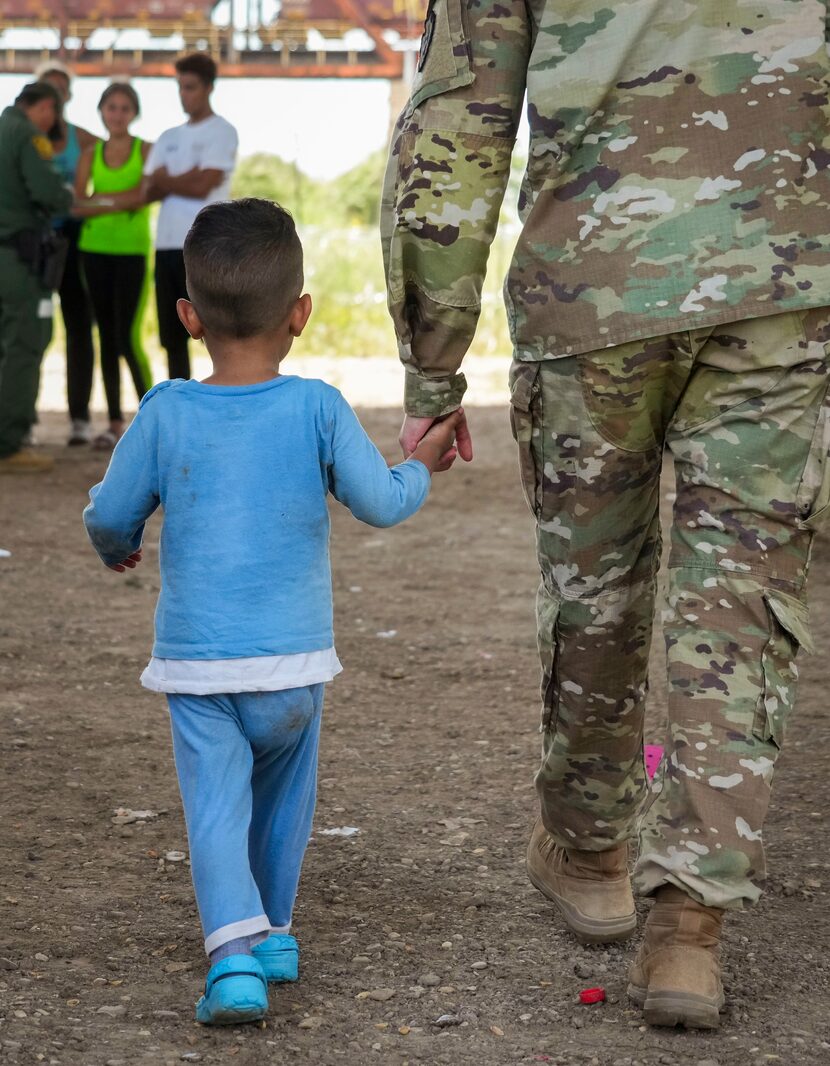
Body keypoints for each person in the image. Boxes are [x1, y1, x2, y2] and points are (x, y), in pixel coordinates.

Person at [381, 0, 830, 1031]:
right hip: (780, 279)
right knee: (738, 608)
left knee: (596, 589)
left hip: (594, 282)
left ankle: (589, 853)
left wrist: (430, 363)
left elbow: (458, 118)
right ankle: (689, 924)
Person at [82, 198, 462, 1025]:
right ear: (301, 313)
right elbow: (383, 503)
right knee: (286, 796)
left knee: (217, 807)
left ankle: (233, 962)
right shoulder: (318, 407)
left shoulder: (166, 410)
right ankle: (277, 933)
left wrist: (113, 547)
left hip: (200, 665)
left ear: (186, 317)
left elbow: (113, 514)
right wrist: (421, 460)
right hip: (294, 666)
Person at [143, 52, 238, 381]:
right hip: (166, 243)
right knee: (172, 336)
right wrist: (184, 179)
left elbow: (203, 186)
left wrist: (167, 180)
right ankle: (181, 397)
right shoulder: (169, 136)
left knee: (216, 329)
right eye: (180, 87)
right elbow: (147, 189)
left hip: (203, 245)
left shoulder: (222, 132)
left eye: (191, 87)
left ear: (209, 87)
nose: (185, 94)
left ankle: (225, 392)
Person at [74, 82, 152, 450]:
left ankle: (151, 418)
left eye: (124, 108)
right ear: (101, 112)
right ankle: (115, 422)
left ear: (134, 112)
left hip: (132, 251)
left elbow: (144, 197)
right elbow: (76, 205)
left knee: (127, 336)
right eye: (111, 107)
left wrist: (100, 201)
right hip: (94, 249)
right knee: (106, 335)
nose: (117, 114)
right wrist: (120, 201)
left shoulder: (146, 150)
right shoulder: (91, 152)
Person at [0, 81, 73, 474]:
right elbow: (48, 192)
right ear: (45, 107)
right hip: (17, 258)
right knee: (25, 344)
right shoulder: (27, 135)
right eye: (52, 115)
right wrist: (65, 193)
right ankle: (9, 444)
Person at [35, 61, 99, 447]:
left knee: (79, 327)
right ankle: (23, 417)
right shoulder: (21, 140)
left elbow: (123, 148)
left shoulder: (85, 139)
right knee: (32, 328)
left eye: (61, 89)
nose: (55, 96)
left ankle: (79, 419)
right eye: (48, 88)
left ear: (69, 96)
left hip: (75, 240)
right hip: (34, 241)